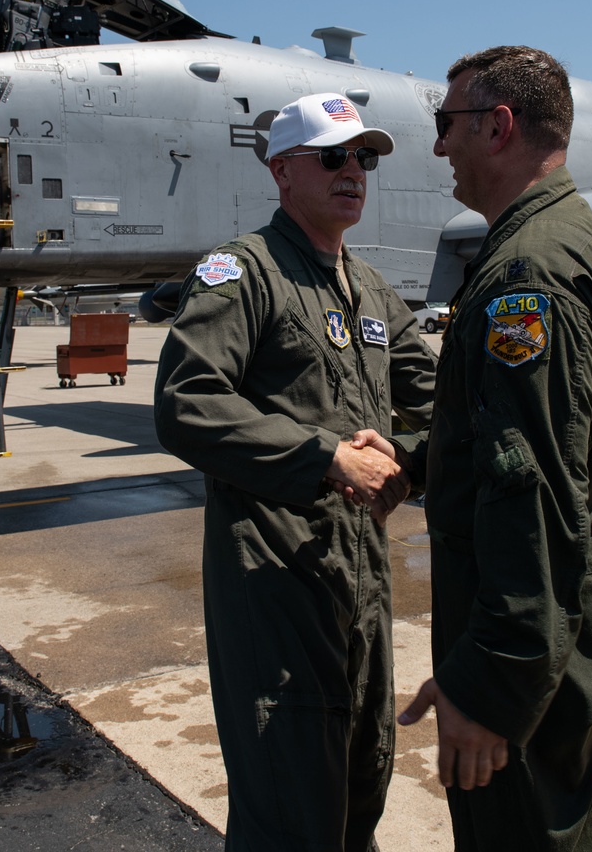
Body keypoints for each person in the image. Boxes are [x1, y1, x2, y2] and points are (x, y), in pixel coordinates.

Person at [154, 92, 437, 851]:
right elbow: (187, 403)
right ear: (283, 171)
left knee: (361, 780)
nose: (355, 172)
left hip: (364, 581)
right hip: (275, 581)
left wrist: (411, 462)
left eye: (365, 158)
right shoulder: (240, 275)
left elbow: (440, 400)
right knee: (289, 806)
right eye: (334, 156)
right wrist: (327, 456)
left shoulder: (373, 290)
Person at [397, 47, 592, 850]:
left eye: (447, 125)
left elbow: (529, 491)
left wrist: (493, 686)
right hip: (561, 632)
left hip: (535, 656)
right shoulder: (559, 237)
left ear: (497, 126)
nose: (440, 148)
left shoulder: (526, 276)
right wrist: (412, 459)